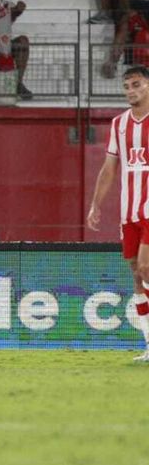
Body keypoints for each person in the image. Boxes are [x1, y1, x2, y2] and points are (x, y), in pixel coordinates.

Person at [86, 64, 149, 359]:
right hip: (129, 213)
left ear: (147, 86)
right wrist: (96, 204)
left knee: (147, 269)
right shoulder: (119, 124)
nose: (130, 92)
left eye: (136, 85)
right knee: (137, 275)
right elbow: (109, 169)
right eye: (126, 87)